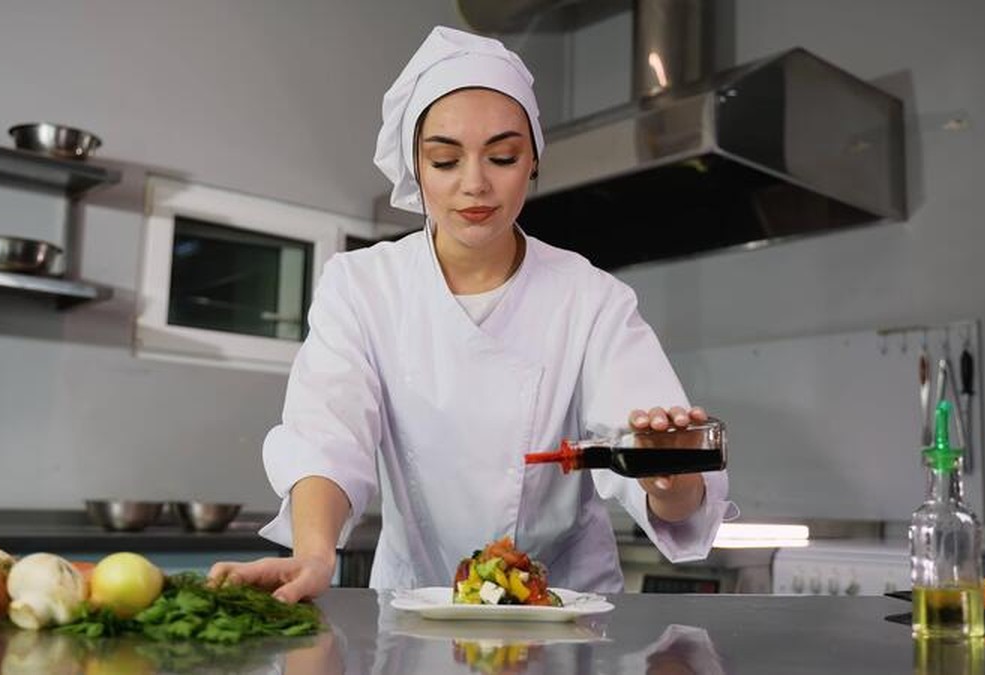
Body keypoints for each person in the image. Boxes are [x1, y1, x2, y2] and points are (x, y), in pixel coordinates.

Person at [209, 26, 735, 603]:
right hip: (416, 608)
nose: (475, 184)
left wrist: (671, 476)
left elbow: (667, 486)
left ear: (532, 158)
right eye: (444, 160)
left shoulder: (591, 299)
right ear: (415, 168)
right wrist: (313, 553)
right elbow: (328, 438)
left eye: (503, 156)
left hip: (561, 612)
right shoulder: (361, 286)